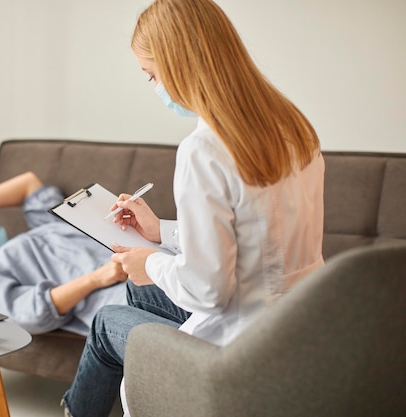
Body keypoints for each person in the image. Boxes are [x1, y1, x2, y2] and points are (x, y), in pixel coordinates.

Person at [61, 0, 325, 415]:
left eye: (152, 75)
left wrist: (149, 263)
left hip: (239, 346)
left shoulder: (204, 149)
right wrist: (159, 233)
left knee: (107, 320)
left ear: (178, 64)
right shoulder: (292, 127)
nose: (155, 88)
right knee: (136, 289)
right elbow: (258, 232)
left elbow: (208, 290)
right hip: (297, 322)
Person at [0, 171, 128, 336]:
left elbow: (28, 182)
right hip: (121, 297)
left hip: (145, 262)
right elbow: (29, 315)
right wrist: (97, 278)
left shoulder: (45, 226)